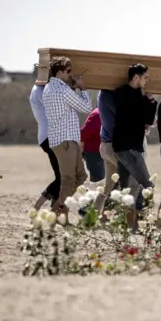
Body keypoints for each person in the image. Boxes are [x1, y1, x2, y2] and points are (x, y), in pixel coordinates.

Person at [42, 56, 92, 218]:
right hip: (66, 142)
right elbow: (86, 107)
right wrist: (82, 88)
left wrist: (74, 89)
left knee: (80, 177)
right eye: (68, 71)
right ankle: (55, 215)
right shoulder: (63, 90)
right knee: (69, 180)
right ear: (59, 72)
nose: (71, 75)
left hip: (62, 141)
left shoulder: (49, 88)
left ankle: (58, 213)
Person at [112, 63, 158, 228]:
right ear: (136, 77)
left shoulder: (130, 95)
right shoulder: (123, 94)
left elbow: (148, 120)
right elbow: (143, 117)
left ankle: (130, 225)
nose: (147, 81)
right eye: (145, 77)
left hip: (124, 148)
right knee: (147, 185)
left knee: (128, 188)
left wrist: (151, 102)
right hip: (129, 149)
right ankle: (143, 222)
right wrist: (147, 100)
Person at [29, 84, 60, 210]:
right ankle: (36, 207)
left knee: (62, 176)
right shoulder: (41, 91)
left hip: (48, 136)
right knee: (63, 177)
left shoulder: (38, 89)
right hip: (50, 137)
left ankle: (54, 210)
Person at [80, 108, 104, 183]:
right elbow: (83, 133)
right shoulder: (97, 115)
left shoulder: (105, 112)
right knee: (98, 182)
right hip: (94, 153)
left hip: (102, 152)